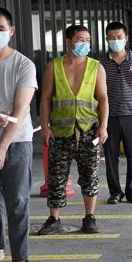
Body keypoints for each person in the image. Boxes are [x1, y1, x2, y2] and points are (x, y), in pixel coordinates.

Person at [0, 7, 40, 262]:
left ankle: (21, 261)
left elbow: (21, 110)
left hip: (16, 142)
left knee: (17, 201)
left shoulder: (24, 64)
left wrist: (2, 147)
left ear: (11, 31)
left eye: (1, 29)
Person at [39, 24, 109, 235]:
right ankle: (54, 218)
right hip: (60, 132)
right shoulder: (54, 66)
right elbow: (45, 98)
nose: (85, 44)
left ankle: (89, 217)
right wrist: (45, 127)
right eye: (80, 40)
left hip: (89, 130)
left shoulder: (96, 66)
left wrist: (103, 126)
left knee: (90, 175)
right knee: (56, 177)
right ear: (68, 42)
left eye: (88, 40)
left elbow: (103, 98)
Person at [101, 21, 132, 205]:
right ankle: (115, 192)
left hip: (131, 114)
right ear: (106, 39)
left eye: (119, 37)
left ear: (126, 38)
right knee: (111, 156)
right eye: (111, 37)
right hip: (108, 116)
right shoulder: (101, 63)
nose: (115, 40)